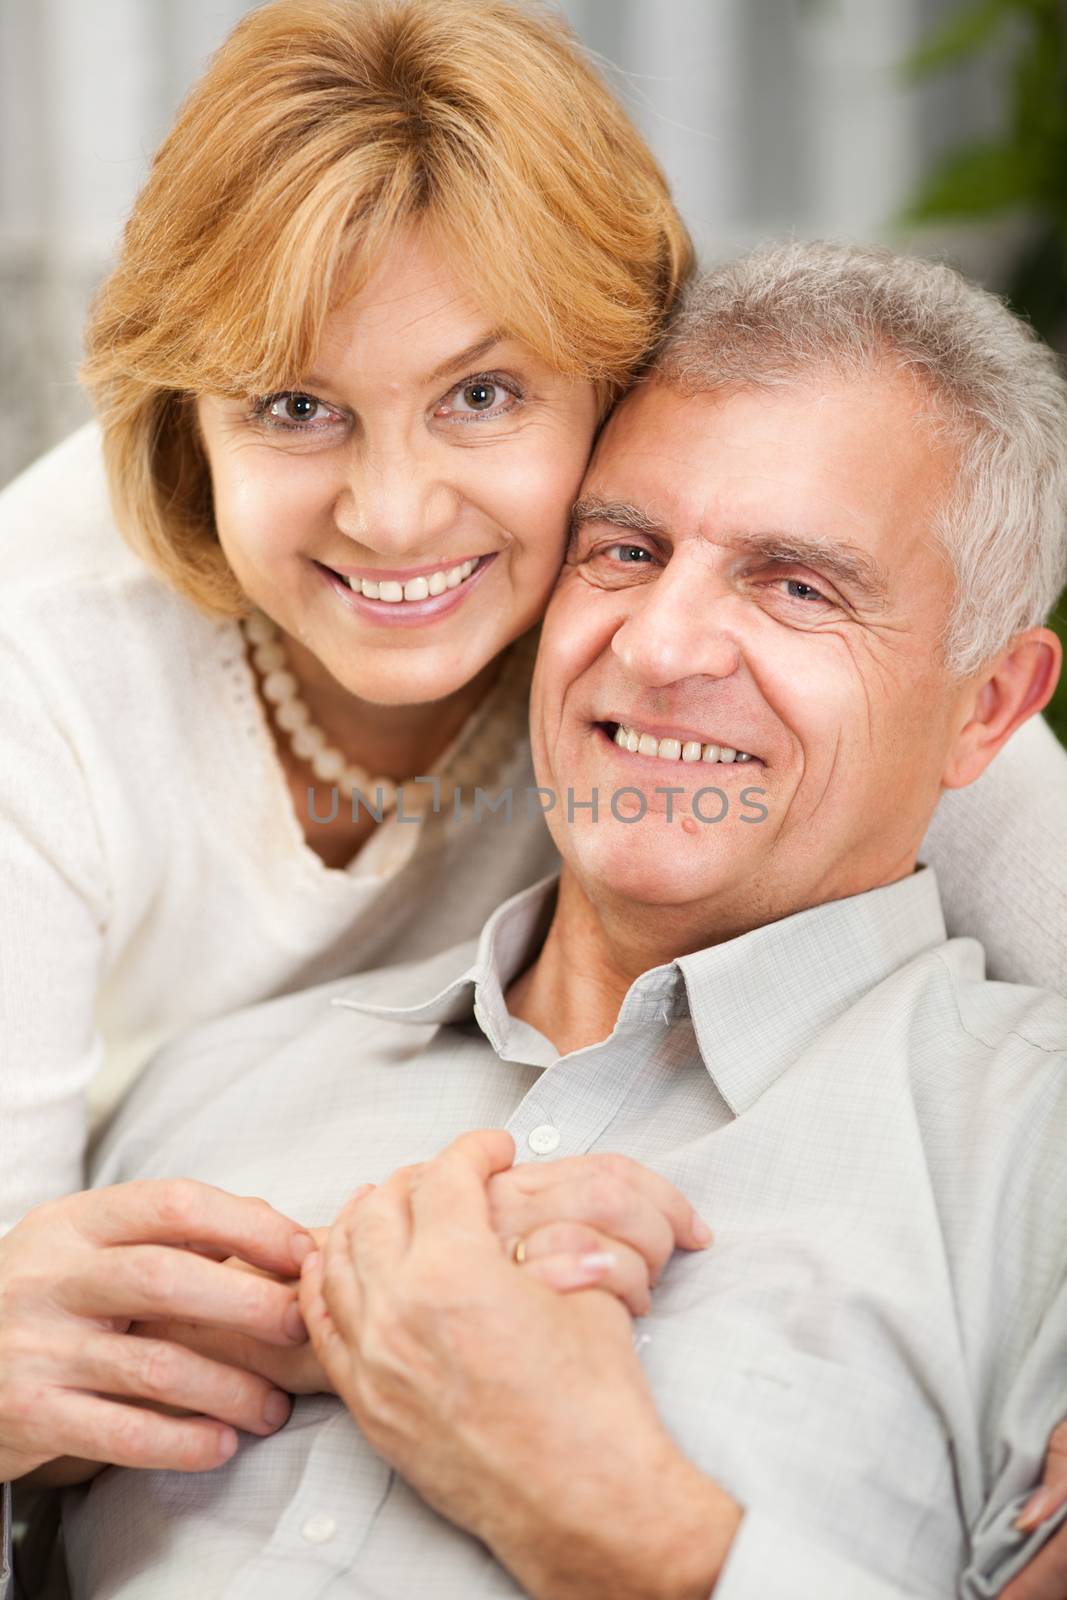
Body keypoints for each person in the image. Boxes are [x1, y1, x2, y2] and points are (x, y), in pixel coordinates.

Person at [15, 240, 1067, 1600]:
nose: (660, 645)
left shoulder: (1031, 1167)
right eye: (623, 550)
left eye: (797, 586)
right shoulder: (205, 1092)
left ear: (987, 706)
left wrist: (620, 1522)